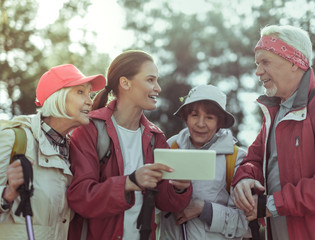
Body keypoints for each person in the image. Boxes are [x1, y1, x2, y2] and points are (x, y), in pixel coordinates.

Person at [232, 24, 315, 240]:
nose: (258, 71)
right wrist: (244, 179)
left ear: (294, 61)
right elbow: (253, 160)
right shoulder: (273, 116)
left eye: (265, 62)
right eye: (257, 63)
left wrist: (271, 205)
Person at [66, 50, 192, 240]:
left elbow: (166, 202)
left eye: (157, 80)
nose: (158, 88)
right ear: (125, 83)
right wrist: (129, 182)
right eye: (150, 80)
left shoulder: (156, 137)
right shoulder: (90, 129)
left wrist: (179, 188)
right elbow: (81, 197)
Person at [0, 64, 106, 239]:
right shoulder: (13, 138)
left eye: (90, 94)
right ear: (57, 97)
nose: (90, 101)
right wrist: (7, 194)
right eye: (80, 92)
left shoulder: (73, 150)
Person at [159, 85, 250, 239]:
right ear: (186, 117)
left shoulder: (235, 158)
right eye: (194, 115)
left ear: (219, 122)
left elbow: (244, 224)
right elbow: (155, 204)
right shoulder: (170, 147)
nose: (200, 123)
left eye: (209, 117)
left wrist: (204, 209)